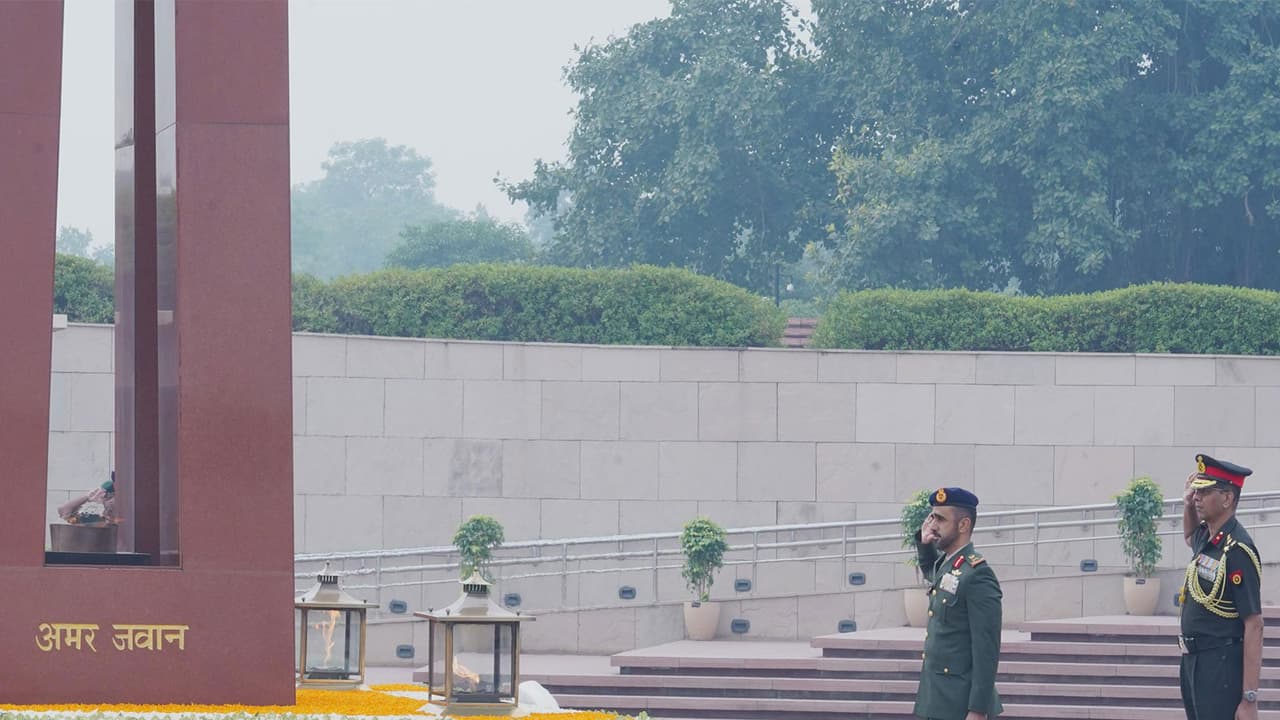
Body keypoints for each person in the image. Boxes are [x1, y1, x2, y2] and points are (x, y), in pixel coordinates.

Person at [1179, 454, 1263, 720]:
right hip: (1194, 662)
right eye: (1196, 491)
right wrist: (1187, 505)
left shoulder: (1238, 549)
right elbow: (1190, 536)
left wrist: (1249, 698)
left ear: (1227, 498)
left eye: (1204, 492)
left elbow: (1255, 624)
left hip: (1220, 665)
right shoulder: (1209, 535)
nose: (1197, 497)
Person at [913, 486, 1003, 720]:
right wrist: (924, 546)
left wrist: (978, 709)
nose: (933, 525)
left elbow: (986, 650)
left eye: (941, 519)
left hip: (959, 703)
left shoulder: (978, 575)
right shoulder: (950, 565)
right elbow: (936, 577)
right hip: (935, 698)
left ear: (963, 525)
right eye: (932, 517)